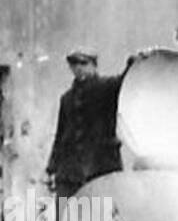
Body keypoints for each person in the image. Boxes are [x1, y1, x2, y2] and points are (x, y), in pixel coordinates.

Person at [44, 48, 125, 200]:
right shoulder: (67, 99)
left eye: (83, 63)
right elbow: (60, 136)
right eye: (74, 64)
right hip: (70, 173)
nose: (78, 68)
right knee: (65, 219)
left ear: (94, 65)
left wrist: (135, 62)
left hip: (101, 168)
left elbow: (125, 81)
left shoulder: (107, 88)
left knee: (100, 219)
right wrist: (51, 169)